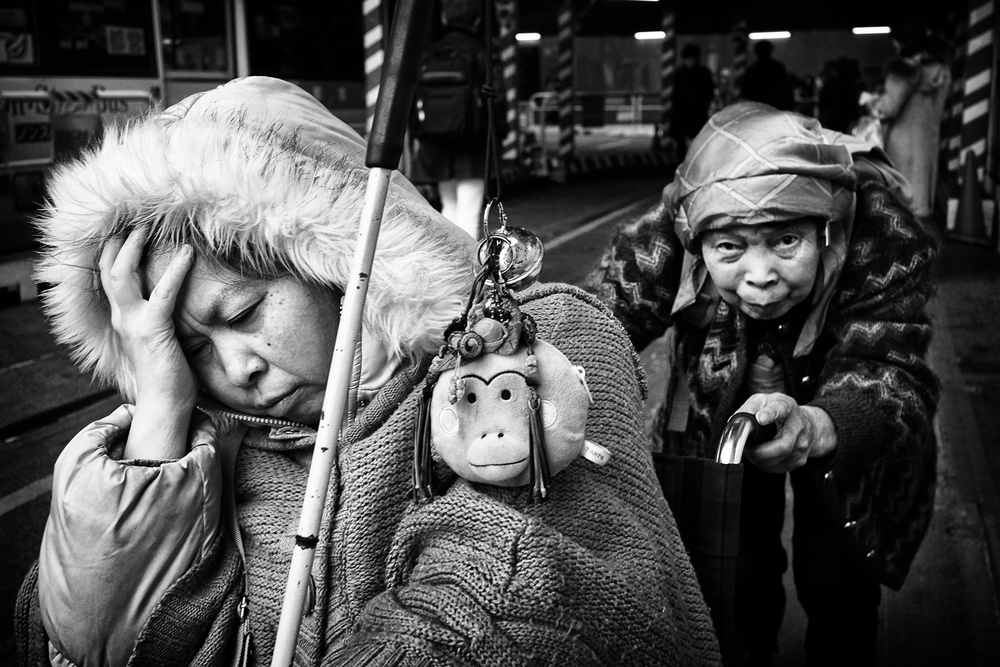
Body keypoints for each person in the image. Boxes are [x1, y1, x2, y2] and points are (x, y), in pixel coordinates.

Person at [13, 76, 721, 666]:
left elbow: (522, 586)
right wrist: (162, 416)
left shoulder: (536, 337)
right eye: (193, 349)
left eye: (244, 312)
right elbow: (93, 638)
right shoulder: (215, 452)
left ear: (335, 260)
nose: (237, 368)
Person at [585, 102, 939, 667]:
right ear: (695, 238)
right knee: (731, 581)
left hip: (848, 438)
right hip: (715, 428)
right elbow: (593, 324)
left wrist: (817, 426)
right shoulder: (673, 225)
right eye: (729, 247)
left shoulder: (880, 231)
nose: (759, 276)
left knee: (839, 586)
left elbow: (892, 372)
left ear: (826, 227)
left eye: (785, 242)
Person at [409, 0, 495, 241]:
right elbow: (494, 99)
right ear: (476, 19)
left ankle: (447, 264)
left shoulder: (431, 50)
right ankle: (466, 272)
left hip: (436, 142)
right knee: (469, 208)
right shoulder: (481, 49)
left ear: (446, 18)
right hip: (472, 142)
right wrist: (499, 135)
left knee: (448, 206)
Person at [870, 19, 952, 225]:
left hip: (901, 144)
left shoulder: (905, 69)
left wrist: (872, 102)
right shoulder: (942, 70)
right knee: (921, 203)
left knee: (902, 202)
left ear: (901, 43)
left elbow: (888, 107)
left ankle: (906, 247)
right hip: (928, 141)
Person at [669, 43, 716, 157]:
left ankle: (689, 160)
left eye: (691, 58)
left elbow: (708, 92)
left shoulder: (683, 73)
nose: (689, 61)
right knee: (687, 140)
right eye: (687, 59)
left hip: (694, 111)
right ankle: (684, 161)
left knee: (696, 139)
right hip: (688, 112)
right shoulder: (701, 73)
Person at [740, 40, 794, 111]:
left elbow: (745, 92)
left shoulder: (753, 70)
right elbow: (786, 89)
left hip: (758, 109)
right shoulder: (777, 68)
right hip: (775, 108)